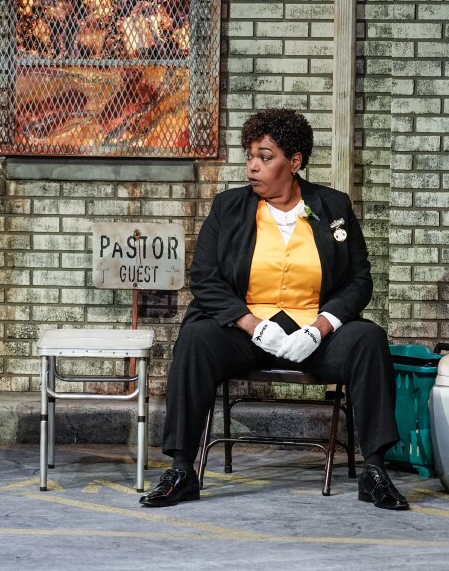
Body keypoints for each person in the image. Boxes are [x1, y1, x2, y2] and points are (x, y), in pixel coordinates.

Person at [139, 109, 408, 511]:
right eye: (250, 156)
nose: (252, 166)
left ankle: (373, 470)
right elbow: (205, 277)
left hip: (309, 334)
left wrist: (320, 328)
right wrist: (251, 324)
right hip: (246, 332)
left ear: (295, 161)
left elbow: (358, 280)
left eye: (265, 157)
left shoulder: (333, 206)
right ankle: (181, 470)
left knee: (368, 339)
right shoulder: (229, 207)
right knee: (195, 337)